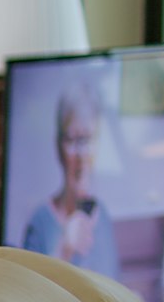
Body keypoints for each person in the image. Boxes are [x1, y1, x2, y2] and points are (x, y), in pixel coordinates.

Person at [21, 83, 119, 278]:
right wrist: (63, 251)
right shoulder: (40, 221)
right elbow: (29, 300)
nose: (81, 154)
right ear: (59, 146)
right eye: (73, 140)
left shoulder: (104, 216)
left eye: (88, 140)